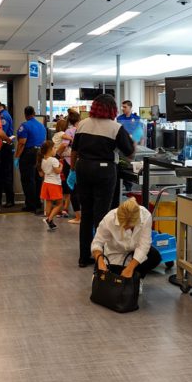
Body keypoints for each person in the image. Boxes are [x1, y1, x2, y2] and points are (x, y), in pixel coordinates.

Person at [72, 94, 135, 267]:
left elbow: (74, 151)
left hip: (83, 168)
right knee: (102, 216)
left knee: (86, 214)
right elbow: (130, 153)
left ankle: (84, 257)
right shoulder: (116, 127)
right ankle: (103, 257)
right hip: (104, 171)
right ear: (112, 109)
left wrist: (72, 169)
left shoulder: (83, 124)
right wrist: (132, 141)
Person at [92, 197, 161, 291]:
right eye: (123, 226)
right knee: (111, 283)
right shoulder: (109, 218)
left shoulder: (145, 216)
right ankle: (99, 270)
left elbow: (144, 245)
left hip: (134, 251)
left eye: (129, 226)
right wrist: (100, 262)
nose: (125, 229)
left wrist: (130, 268)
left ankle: (138, 278)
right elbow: (97, 242)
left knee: (155, 257)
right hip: (115, 252)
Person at [15, 106, 47, 214]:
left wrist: (17, 157)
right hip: (39, 153)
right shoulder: (41, 126)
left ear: (25, 114)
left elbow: (22, 142)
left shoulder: (25, 126)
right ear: (34, 113)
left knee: (27, 179)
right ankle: (38, 202)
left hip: (29, 153)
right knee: (38, 178)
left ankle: (30, 204)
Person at [0, 103, 15, 207]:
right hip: (2, 146)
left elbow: (1, 132)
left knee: (6, 174)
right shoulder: (0, 115)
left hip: (5, 146)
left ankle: (10, 200)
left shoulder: (3, 116)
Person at [37, 140, 62, 231]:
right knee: (59, 204)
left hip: (46, 184)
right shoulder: (54, 160)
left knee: (48, 202)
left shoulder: (42, 160)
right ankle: (49, 219)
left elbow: (41, 174)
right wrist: (61, 166)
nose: (56, 150)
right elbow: (57, 171)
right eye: (54, 148)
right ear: (50, 149)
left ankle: (50, 220)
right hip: (54, 184)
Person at [63, 110, 82, 224]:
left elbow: (64, 145)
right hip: (82, 163)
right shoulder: (82, 130)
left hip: (70, 163)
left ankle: (78, 216)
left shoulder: (69, 131)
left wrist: (57, 154)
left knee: (73, 189)